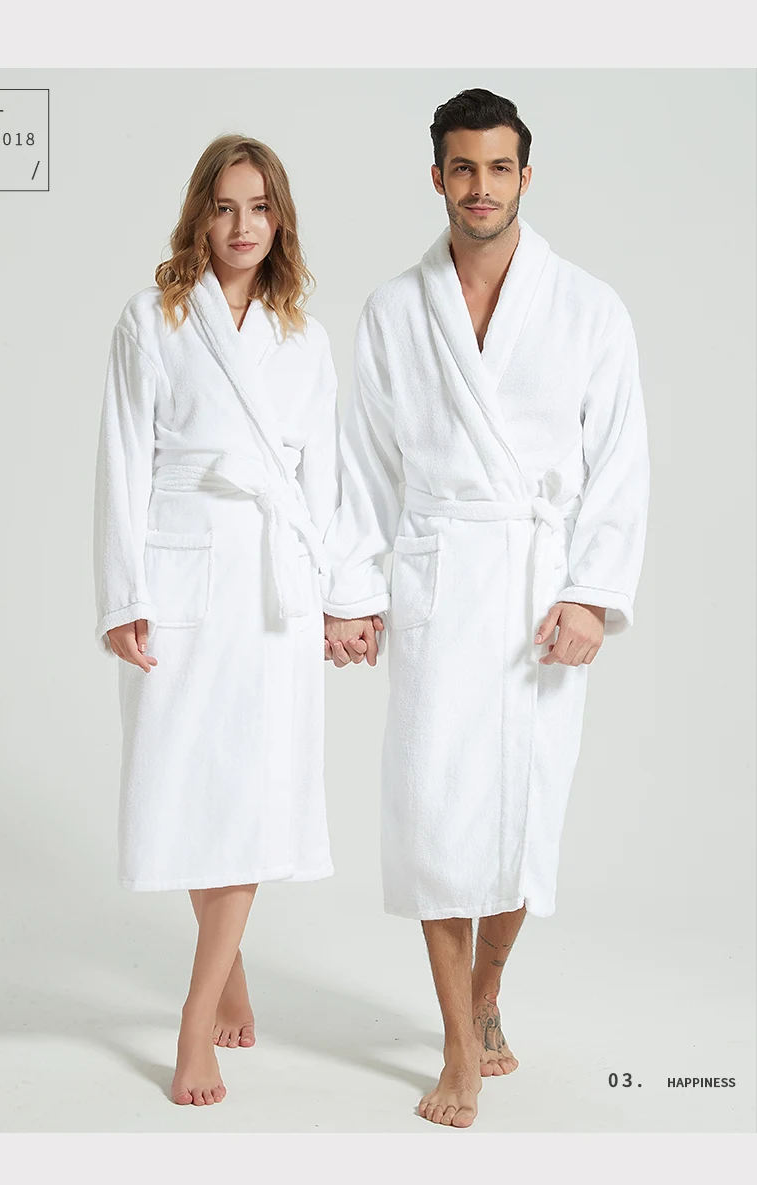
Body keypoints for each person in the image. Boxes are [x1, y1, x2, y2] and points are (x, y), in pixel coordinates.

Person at [322, 89, 649, 1128]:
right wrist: (353, 592)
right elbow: (363, 466)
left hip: (537, 591)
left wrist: (590, 594)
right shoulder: (393, 310)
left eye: (498, 167)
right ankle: (457, 1045)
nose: (479, 187)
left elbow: (620, 463)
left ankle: (486, 987)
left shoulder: (589, 307)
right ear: (436, 177)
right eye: (461, 167)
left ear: (524, 175)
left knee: (522, 813)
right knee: (432, 814)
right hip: (438, 577)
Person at [93, 134, 340, 1106]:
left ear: (281, 221)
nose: (243, 226)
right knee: (188, 780)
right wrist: (124, 596)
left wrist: (339, 596)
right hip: (183, 571)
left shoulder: (303, 338)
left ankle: (193, 1019)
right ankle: (228, 969)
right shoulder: (151, 319)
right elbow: (123, 459)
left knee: (249, 791)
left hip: (273, 588)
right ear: (200, 214)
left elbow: (325, 478)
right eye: (226, 206)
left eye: (260, 208)